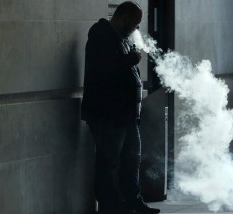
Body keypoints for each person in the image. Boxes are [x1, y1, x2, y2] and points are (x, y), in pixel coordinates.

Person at [81, 1, 160, 214]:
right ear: (123, 18)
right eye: (134, 24)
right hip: (108, 115)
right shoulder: (100, 35)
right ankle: (111, 207)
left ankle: (133, 202)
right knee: (109, 164)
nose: (135, 29)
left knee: (130, 161)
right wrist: (132, 60)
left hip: (126, 115)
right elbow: (105, 71)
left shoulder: (121, 39)